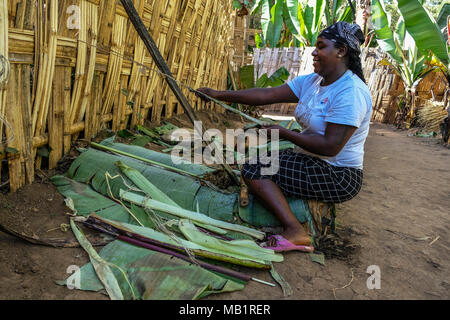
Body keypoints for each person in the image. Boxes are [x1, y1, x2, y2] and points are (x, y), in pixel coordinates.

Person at [196, 22, 373, 252]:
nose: (314, 52)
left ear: (341, 51)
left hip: (339, 175)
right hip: (316, 161)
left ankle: (295, 231)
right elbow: (266, 94)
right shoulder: (313, 82)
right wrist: (218, 94)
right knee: (268, 159)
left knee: (255, 168)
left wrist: (283, 133)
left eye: (321, 46)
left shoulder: (351, 92)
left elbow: (331, 147)